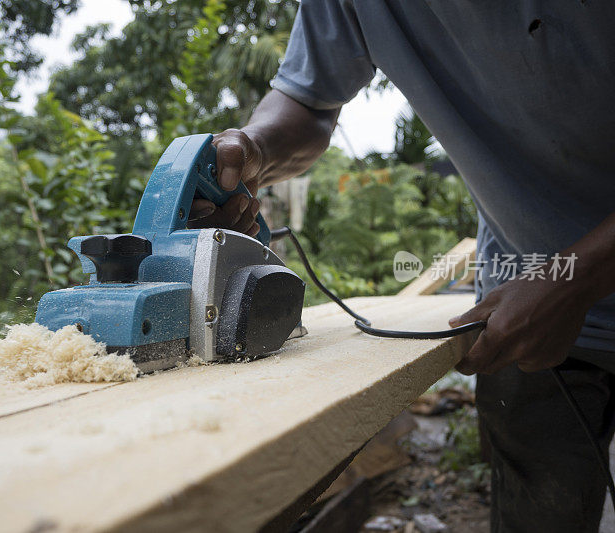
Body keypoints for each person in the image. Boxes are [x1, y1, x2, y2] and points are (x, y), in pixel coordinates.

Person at [187, 2, 615, 531]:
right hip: (515, 313)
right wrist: (254, 148)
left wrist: (576, 280)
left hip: (544, 295)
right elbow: (306, 104)